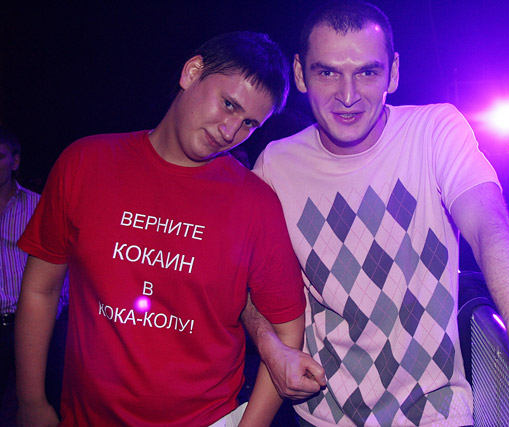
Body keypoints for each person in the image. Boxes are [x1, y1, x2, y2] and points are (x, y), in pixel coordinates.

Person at [248, 1, 509, 426]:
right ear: (300, 74)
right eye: (328, 73)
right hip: (321, 416)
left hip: (436, 415)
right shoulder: (275, 165)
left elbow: (489, 230)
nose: (348, 96)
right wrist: (271, 348)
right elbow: (243, 281)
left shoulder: (435, 131)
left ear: (393, 72)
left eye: (367, 72)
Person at [15, 31, 306, 426]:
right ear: (192, 72)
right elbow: (40, 289)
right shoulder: (85, 163)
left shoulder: (257, 204)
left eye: (249, 123)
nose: (230, 131)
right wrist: (30, 401)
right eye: (228, 104)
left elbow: (288, 333)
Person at [0, 127, 69, 418]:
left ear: (15, 161)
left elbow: (61, 269)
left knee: (41, 405)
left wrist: (53, 314)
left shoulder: (38, 205)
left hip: (31, 325)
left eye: (0, 156)